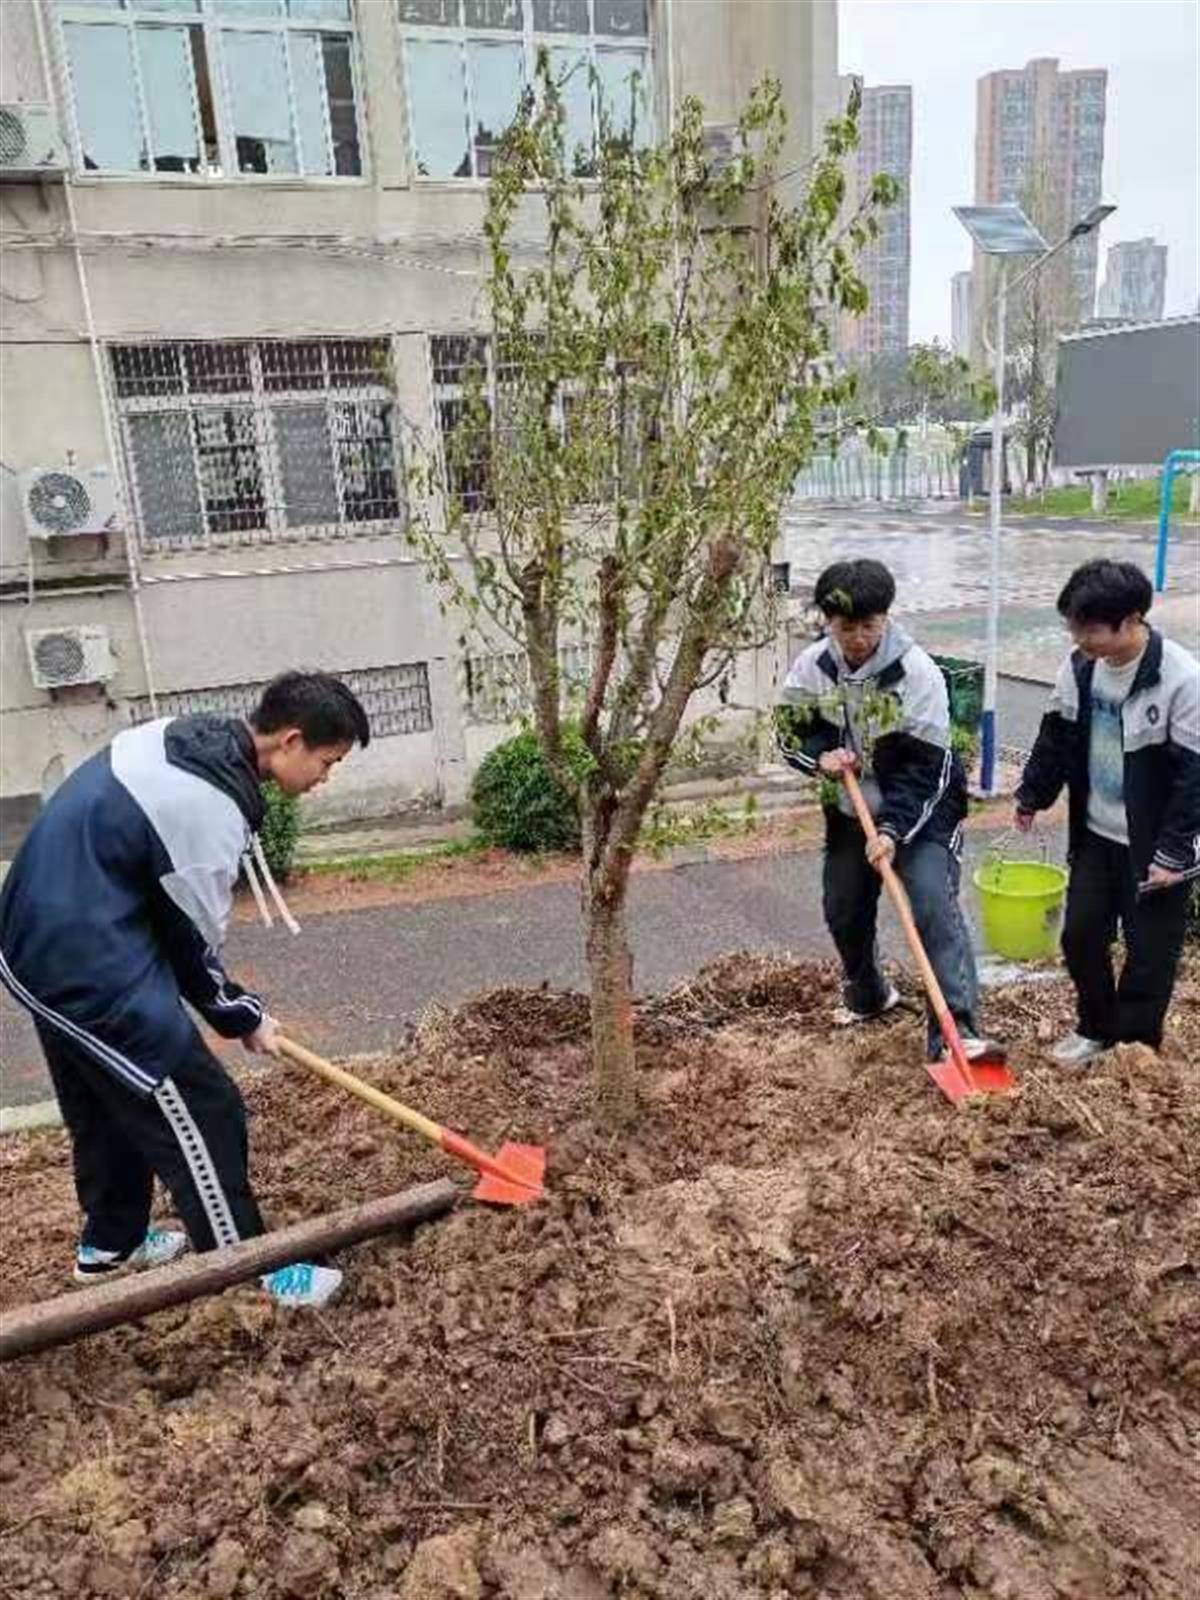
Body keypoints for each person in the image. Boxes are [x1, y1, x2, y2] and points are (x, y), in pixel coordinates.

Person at [0, 671, 370, 1306]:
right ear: (290, 740)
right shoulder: (208, 810)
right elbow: (192, 948)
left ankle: (110, 1246)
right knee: (204, 1104)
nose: (324, 780)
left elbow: (171, 926)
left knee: (112, 1095)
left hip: (34, 934)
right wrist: (241, 1015)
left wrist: (235, 1011)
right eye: (327, 763)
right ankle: (249, 1270)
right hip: (84, 957)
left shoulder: (184, 736)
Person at [778, 558, 1002, 1065]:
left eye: (868, 625)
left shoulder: (917, 675)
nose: (857, 638)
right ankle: (869, 994)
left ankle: (956, 1030)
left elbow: (928, 771)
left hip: (920, 814)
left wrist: (893, 830)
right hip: (849, 810)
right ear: (827, 624)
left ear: (886, 618)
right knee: (843, 907)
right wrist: (819, 757)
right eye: (845, 627)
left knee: (930, 905)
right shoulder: (812, 667)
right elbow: (789, 731)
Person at [1015, 559, 1199, 1065]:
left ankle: (1133, 1049)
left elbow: (1193, 780)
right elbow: (1055, 736)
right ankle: (1095, 1028)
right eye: (1073, 626)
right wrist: (1033, 793)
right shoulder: (1079, 668)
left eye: (1090, 628)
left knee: (1148, 953)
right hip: (1097, 834)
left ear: (1132, 619)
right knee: (1081, 935)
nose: (1080, 639)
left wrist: (1174, 851)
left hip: (1156, 846)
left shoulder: (1180, 680)